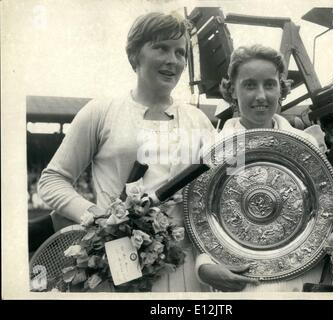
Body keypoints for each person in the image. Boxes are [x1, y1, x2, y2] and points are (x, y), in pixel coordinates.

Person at [38, 12, 214, 292]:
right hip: (116, 266)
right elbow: (52, 180)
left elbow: (215, 197)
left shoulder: (200, 121)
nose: (173, 60)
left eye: (180, 52)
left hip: (183, 272)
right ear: (135, 54)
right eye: (161, 48)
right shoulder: (100, 111)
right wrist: (99, 218)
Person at [195, 44, 327, 292]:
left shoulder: (307, 146)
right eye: (249, 85)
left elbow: (325, 213)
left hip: (297, 279)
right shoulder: (212, 149)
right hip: (237, 283)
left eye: (269, 84)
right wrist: (203, 265)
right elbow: (198, 219)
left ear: (282, 88)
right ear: (232, 90)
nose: (261, 96)